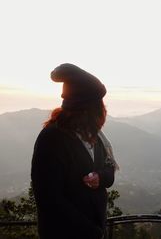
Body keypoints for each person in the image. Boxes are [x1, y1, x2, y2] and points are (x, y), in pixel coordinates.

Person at [31, 63, 118, 239]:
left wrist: (100, 177)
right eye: (99, 103)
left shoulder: (95, 136)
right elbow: (49, 198)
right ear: (87, 109)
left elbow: (109, 170)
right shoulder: (52, 138)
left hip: (94, 230)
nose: (104, 109)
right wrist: (91, 232)